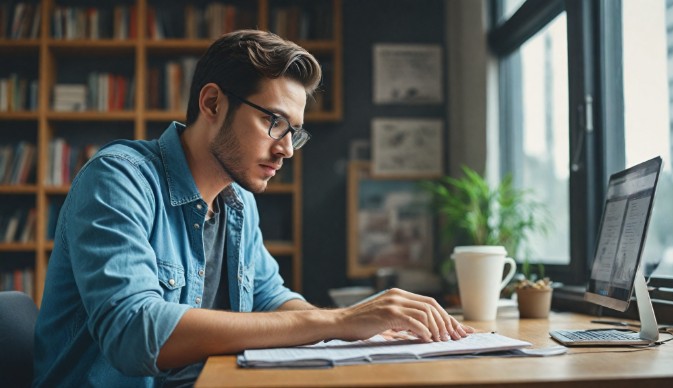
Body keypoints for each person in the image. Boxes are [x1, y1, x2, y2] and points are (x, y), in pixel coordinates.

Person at [33, 30, 474, 387]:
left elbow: (270, 298)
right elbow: (135, 333)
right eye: (273, 122)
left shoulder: (238, 199)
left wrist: (366, 331)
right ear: (212, 103)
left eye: (294, 132)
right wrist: (340, 320)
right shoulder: (119, 178)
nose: (286, 150)